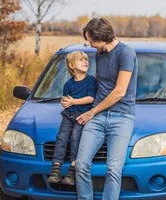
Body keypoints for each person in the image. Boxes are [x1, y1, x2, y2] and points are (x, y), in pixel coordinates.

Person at [74, 18, 138, 200]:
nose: (90, 45)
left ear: (102, 37)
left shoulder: (126, 53)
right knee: (81, 164)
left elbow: (119, 91)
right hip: (98, 116)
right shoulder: (99, 55)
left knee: (113, 169)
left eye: (92, 40)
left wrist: (91, 112)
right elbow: (100, 85)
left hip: (122, 117)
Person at [46, 51, 96, 186]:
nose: (86, 62)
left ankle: (71, 172)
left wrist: (73, 102)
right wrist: (65, 102)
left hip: (82, 116)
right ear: (71, 65)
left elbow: (91, 98)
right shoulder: (68, 84)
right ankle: (55, 170)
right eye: (81, 60)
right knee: (62, 138)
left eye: (86, 60)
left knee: (75, 138)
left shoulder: (90, 80)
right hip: (68, 115)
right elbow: (66, 99)